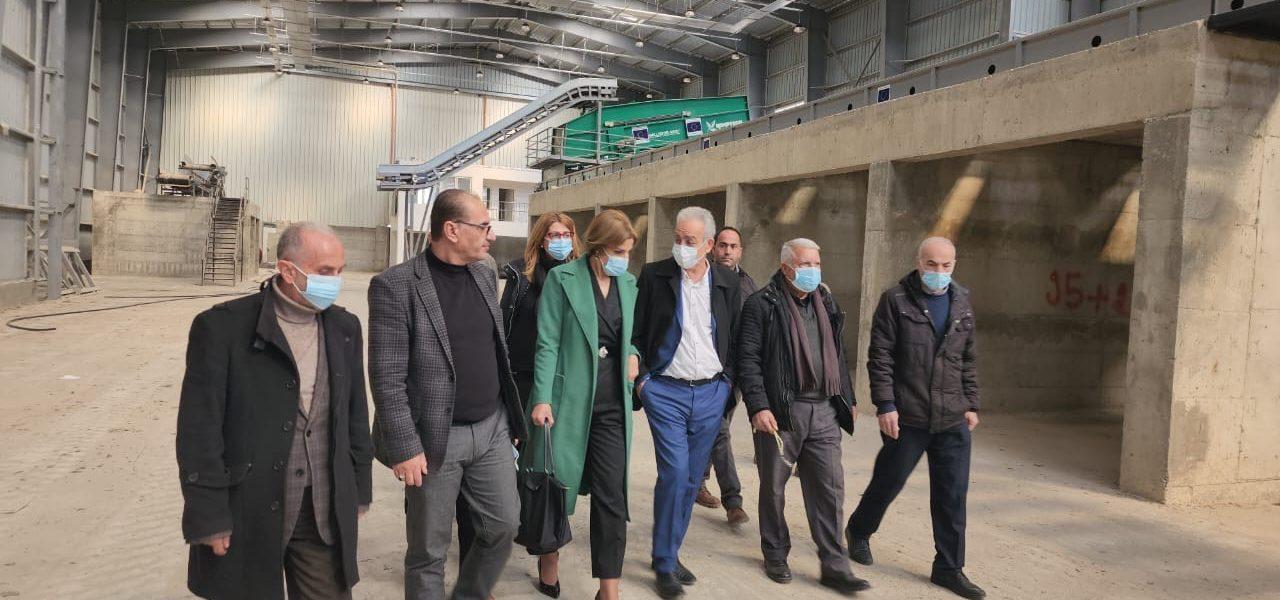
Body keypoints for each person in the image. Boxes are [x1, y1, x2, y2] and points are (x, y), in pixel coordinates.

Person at [176, 222, 374, 599]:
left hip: (320, 507)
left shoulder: (344, 327)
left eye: (340, 271)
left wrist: (358, 487)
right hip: (247, 507)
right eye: (325, 271)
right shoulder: (222, 328)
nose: (335, 281)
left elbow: (354, 414)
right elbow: (199, 430)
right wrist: (208, 513)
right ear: (287, 270)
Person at [367, 189, 527, 600]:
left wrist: (510, 415)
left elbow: (494, 348)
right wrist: (405, 446)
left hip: (491, 428)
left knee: (504, 525)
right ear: (452, 230)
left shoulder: (485, 272)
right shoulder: (395, 285)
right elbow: (387, 377)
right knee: (429, 552)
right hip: (434, 439)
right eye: (484, 226)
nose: (492, 235)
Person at [844, 236, 985, 600]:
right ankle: (859, 530)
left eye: (946, 265)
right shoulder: (896, 300)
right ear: (919, 263)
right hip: (909, 414)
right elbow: (881, 357)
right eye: (932, 264)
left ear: (954, 265)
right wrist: (886, 405)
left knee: (952, 494)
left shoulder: (962, 301)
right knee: (889, 480)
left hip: (952, 416)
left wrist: (971, 403)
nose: (939, 272)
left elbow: (967, 358)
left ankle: (949, 568)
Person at [736, 238, 868, 594]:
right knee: (774, 487)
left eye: (816, 264)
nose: (813, 271)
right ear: (786, 268)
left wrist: (848, 396)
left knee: (829, 488)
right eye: (805, 264)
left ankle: (835, 565)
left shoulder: (825, 300)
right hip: (782, 411)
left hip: (824, 408)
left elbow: (837, 353)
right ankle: (775, 554)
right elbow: (748, 360)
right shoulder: (761, 304)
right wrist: (758, 406)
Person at [524, 209, 640, 600]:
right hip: (567, 402)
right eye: (619, 251)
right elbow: (548, 343)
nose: (624, 259)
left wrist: (634, 354)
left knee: (612, 497)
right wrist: (541, 397)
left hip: (612, 406)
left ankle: (609, 589)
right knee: (558, 487)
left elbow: (631, 336)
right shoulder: (563, 280)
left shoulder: (629, 284)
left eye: (628, 252)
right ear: (599, 247)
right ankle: (549, 556)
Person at [453, 213, 582, 565]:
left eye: (566, 234)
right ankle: (488, 540)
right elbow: (503, 330)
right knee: (504, 465)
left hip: (560, 387)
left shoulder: (580, 278)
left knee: (550, 468)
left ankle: (547, 554)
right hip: (520, 381)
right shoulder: (521, 277)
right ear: (541, 239)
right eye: (553, 235)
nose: (560, 241)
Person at [633, 206, 742, 599]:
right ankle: (664, 564)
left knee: (692, 479)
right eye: (678, 239)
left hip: (712, 392)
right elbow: (637, 330)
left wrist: (728, 385)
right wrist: (643, 381)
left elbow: (736, 337)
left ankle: (669, 551)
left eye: (690, 241)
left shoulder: (728, 282)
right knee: (675, 474)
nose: (681, 246)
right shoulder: (655, 275)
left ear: (709, 245)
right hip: (665, 391)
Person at [695, 226, 758, 525]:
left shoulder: (748, 284)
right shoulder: (701, 279)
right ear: (712, 246)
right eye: (723, 245)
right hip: (709, 371)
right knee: (720, 431)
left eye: (733, 246)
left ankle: (698, 480)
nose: (727, 251)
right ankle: (733, 500)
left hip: (737, 370)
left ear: (740, 251)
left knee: (717, 429)